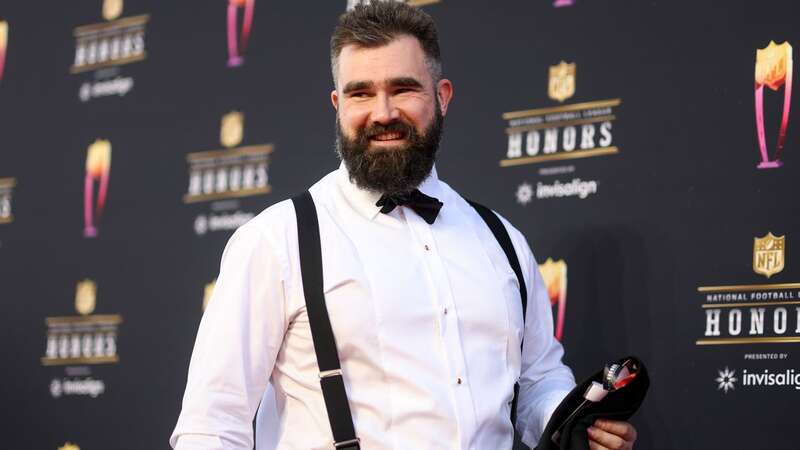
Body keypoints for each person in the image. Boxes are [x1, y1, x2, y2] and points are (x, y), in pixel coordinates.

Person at [170, 2, 638, 449]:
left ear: (442, 97)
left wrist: (579, 424)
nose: (383, 112)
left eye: (403, 88)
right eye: (361, 93)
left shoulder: (503, 242)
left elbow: (538, 380)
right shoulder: (275, 241)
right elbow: (212, 426)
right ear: (337, 105)